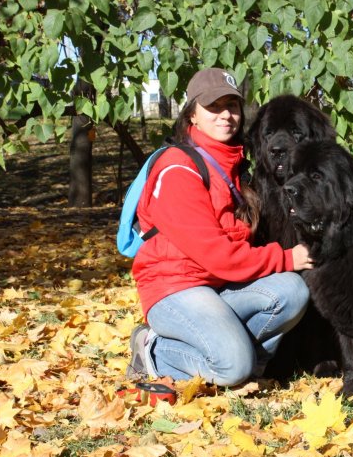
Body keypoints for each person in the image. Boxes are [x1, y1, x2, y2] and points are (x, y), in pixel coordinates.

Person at [125, 68, 313, 388]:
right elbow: (219, 256)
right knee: (232, 366)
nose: (226, 115)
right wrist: (286, 258)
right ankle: (154, 350)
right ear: (192, 116)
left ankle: (245, 364)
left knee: (292, 292)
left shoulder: (233, 165)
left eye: (233, 105)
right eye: (214, 106)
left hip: (216, 285)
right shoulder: (177, 168)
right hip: (175, 288)